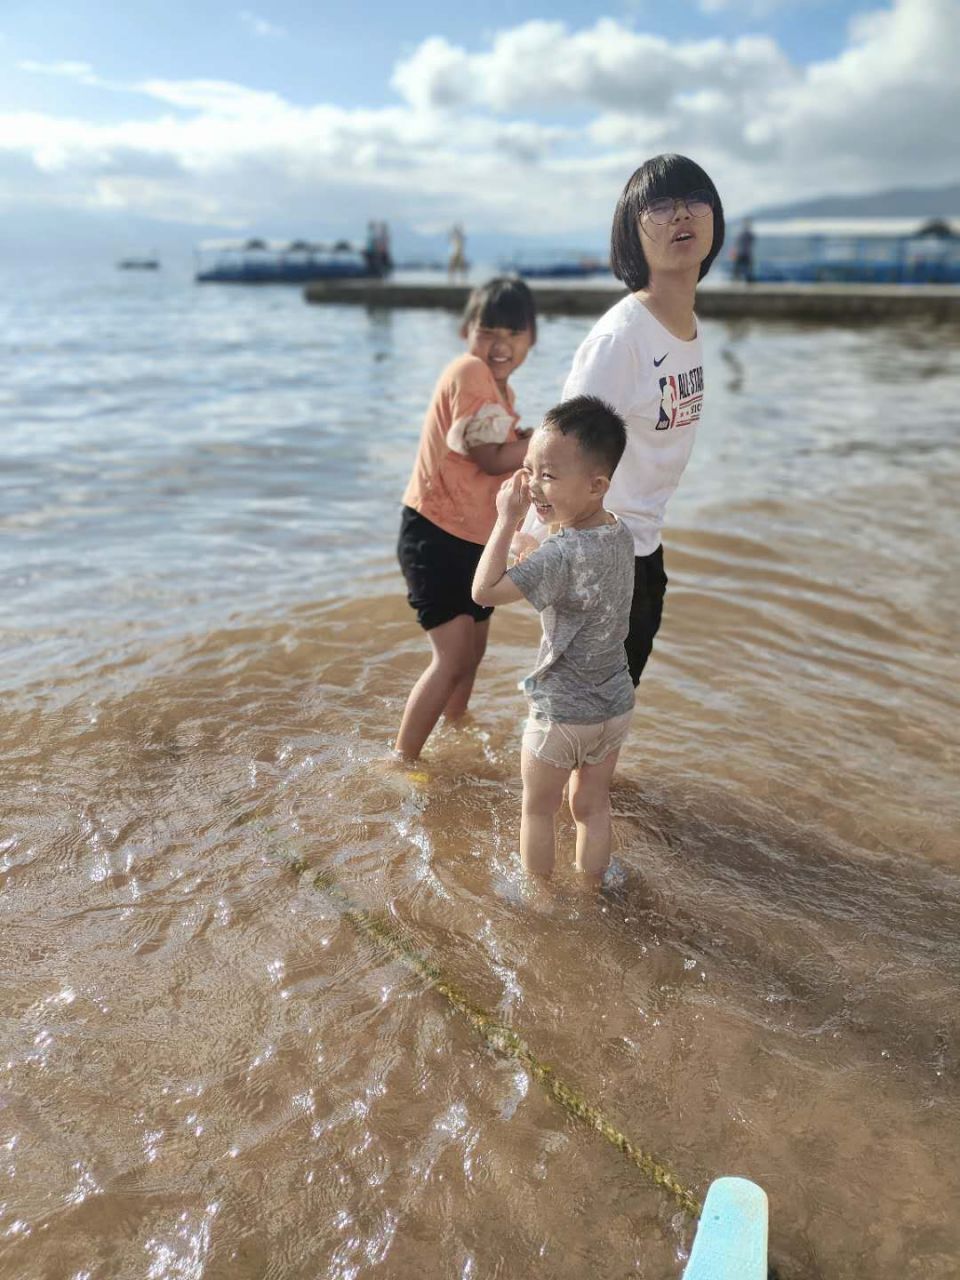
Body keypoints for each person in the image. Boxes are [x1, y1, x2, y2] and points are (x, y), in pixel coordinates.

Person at [517, 153, 725, 689]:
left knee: (613, 708)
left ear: (715, 219)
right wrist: (538, 546)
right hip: (593, 558)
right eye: (660, 206)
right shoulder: (620, 339)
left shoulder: (687, 326)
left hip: (643, 549)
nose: (682, 215)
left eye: (694, 201)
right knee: (571, 715)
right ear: (631, 234)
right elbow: (558, 452)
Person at [472, 397, 634, 880]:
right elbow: (582, 575)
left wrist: (506, 522)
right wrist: (533, 545)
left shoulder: (560, 554)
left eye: (548, 475)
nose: (532, 487)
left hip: (562, 712)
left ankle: (540, 899)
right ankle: (592, 890)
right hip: (614, 704)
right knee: (591, 807)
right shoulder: (619, 533)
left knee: (538, 810)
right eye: (528, 471)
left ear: (596, 484)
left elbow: (483, 591)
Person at [395, 277, 537, 760]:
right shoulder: (469, 370)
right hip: (435, 533)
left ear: (532, 339)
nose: (500, 345)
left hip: (474, 538)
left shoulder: (503, 392)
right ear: (466, 332)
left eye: (513, 334)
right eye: (488, 331)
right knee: (452, 657)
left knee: (471, 654)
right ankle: (402, 759)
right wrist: (546, 441)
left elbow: (500, 452)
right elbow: (491, 458)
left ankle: (455, 730)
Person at [731, 218, 755, 283]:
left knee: (743, 268)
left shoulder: (743, 234)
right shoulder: (747, 234)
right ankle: (739, 279)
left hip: (744, 253)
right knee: (742, 268)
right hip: (743, 253)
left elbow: (737, 244)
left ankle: (740, 279)